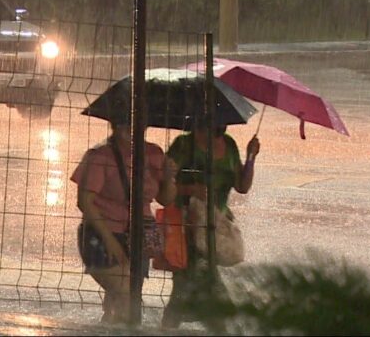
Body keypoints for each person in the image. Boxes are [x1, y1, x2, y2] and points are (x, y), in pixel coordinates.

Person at [70, 103, 177, 325]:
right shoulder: (100, 156)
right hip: (102, 233)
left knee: (124, 297)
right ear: (114, 126)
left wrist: (169, 178)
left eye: (135, 124)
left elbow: (166, 199)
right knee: (126, 293)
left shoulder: (154, 154)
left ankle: (108, 328)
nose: (129, 129)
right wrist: (109, 240)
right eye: (123, 124)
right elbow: (85, 202)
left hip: (140, 234)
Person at [161, 119, 260, 330]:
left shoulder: (229, 145)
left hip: (214, 226)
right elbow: (162, 186)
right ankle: (218, 325)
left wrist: (251, 157)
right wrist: (190, 190)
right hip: (187, 227)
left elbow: (242, 186)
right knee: (196, 282)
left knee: (186, 287)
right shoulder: (183, 145)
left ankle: (170, 327)